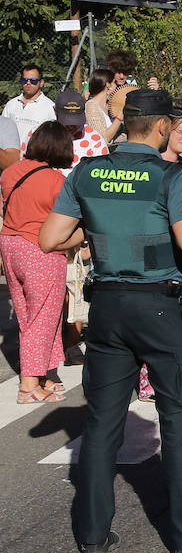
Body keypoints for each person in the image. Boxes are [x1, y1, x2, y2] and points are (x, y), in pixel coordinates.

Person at [39, 88, 182, 553]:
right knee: (179, 424)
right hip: (162, 309)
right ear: (164, 126)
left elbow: (50, 238)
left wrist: (103, 224)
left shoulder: (88, 170)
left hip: (107, 307)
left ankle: (92, 537)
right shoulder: (172, 173)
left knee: (102, 424)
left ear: (126, 122)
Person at [1, 122, 74, 403]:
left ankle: (45, 373)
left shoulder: (11, 172)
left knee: (26, 315)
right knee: (43, 316)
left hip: (9, 244)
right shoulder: (57, 181)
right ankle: (29, 385)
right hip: (40, 250)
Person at [4, 64, 56, 145]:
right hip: (11, 155)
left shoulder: (50, 108)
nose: (28, 83)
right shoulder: (11, 104)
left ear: (41, 83)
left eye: (33, 81)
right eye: (25, 80)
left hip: (35, 156)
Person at [83, 69, 122, 144]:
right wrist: (120, 117)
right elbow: (103, 138)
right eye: (114, 82)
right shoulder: (91, 106)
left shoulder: (109, 106)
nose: (116, 86)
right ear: (108, 85)